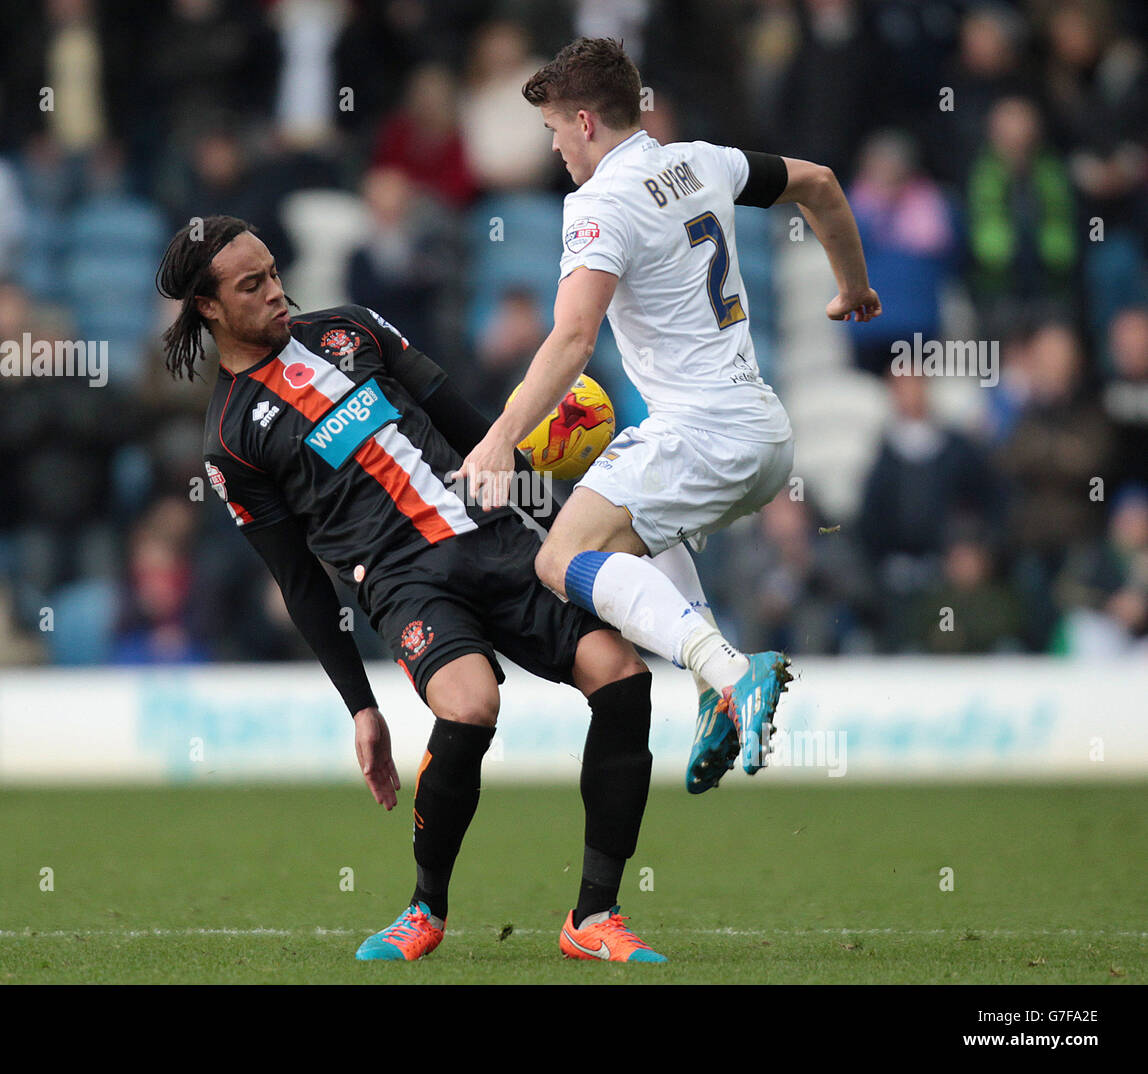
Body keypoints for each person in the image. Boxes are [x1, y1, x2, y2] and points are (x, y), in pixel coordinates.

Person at [157, 215, 666, 963]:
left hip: (495, 540)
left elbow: (471, 430)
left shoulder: (352, 329)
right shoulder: (232, 441)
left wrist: (568, 514)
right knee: (470, 706)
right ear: (208, 307)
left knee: (622, 679)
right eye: (252, 285)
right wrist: (359, 706)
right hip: (403, 580)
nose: (276, 292)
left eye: (273, 272)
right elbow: (298, 581)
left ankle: (594, 916)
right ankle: (425, 909)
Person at [456, 38, 881, 792]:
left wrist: (497, 441)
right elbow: (818, 182)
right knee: (632, 536)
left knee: (560, 561)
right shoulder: (700, 160)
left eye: (554, 130)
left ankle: (729, 673)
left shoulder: (597, 206)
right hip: (761, 433)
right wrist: (852, 287)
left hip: (702, 434)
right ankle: (712, 693)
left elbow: (574, 337)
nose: (553, 148)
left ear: (585, 122)